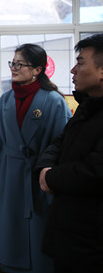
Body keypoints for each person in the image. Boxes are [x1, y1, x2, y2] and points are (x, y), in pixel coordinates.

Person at [0, 44, 71, 272]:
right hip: (8, 174)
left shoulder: (54, 101)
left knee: (37, 231)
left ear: (37, 70)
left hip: (38, 177)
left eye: (20, 64)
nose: (13, 68)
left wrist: (55, 178)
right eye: (12, 63)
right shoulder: (6, 100)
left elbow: (62, 145)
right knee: (8, 227)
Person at [35, 34, 103, 272]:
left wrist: (50, 177)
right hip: (70, 229)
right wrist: (44, 167)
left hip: (92, 239)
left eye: (81, 63)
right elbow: (60, 142)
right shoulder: (87, 107)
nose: (73, 70)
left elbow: (95, 172)